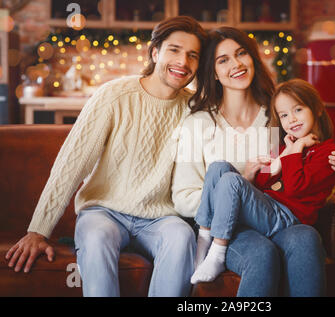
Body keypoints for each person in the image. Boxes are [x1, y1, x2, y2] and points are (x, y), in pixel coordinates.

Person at [5, 16, 208, 297]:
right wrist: (38, 230)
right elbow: (71, 164)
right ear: (155, 52)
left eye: (192, 55)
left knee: (182, 236)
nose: (183, 62)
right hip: (104, 211)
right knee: (97, 236)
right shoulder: (114, 96)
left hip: (161, 218)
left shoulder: (194, 108)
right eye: (174, 50)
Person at [171, 27, 335, 296]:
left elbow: (295, 177)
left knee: (306, 237)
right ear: (213, 72)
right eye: (223, 60)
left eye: (241, 53)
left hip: (271, 211)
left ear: (253, 58)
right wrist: (234, 196)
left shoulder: (275, 116)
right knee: (261, 253)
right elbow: (183, 197)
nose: (236, 64)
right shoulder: (197, 124)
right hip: (228, 227)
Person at [190, 78, 335, 284]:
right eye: (284, 115)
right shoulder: (284, 148)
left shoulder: (329, 152)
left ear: (317, 109)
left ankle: (217, 252)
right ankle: (204, 238)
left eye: (298, 110)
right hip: (269, 210)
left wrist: (294, 151)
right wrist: (253, 174)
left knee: (233, 181)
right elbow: (262, 183)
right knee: (219, 167)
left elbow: (296, 187)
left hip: (288, 217)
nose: (292, 120)